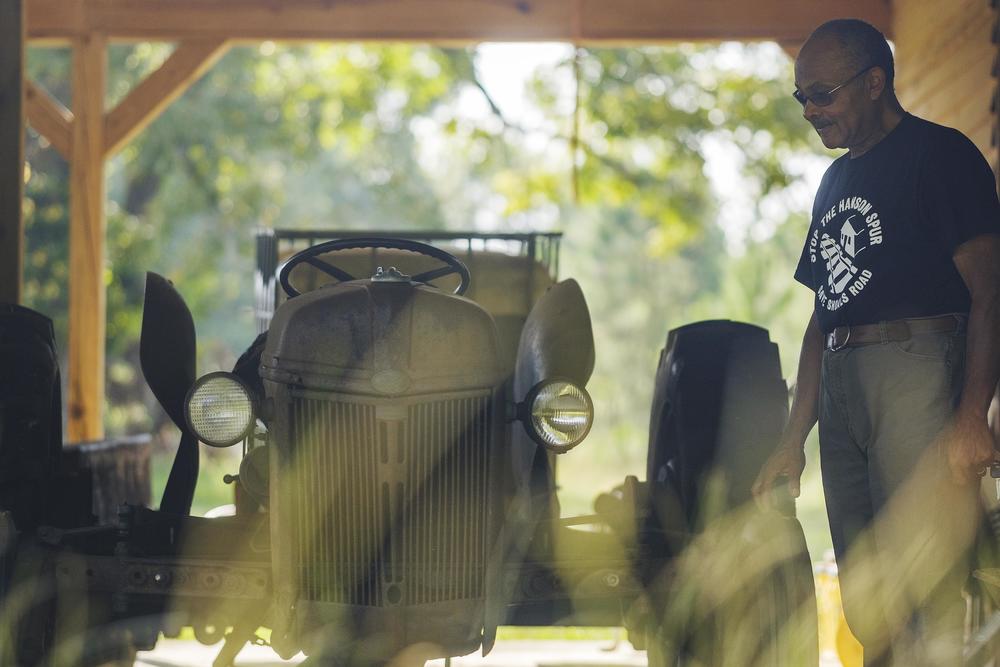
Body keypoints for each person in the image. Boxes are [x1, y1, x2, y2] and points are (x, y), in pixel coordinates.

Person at [751, 18, 1000, 666]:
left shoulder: (940, 157)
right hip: (841, 387)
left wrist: (974, 413)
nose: (810, 111)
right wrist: (791, 437)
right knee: (867, 594)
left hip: (916, 372)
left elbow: (990, 291)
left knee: (930, 582)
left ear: (873, 83)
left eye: (822, 94)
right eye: (800, 97)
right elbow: (820, 317)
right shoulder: (834, 183)